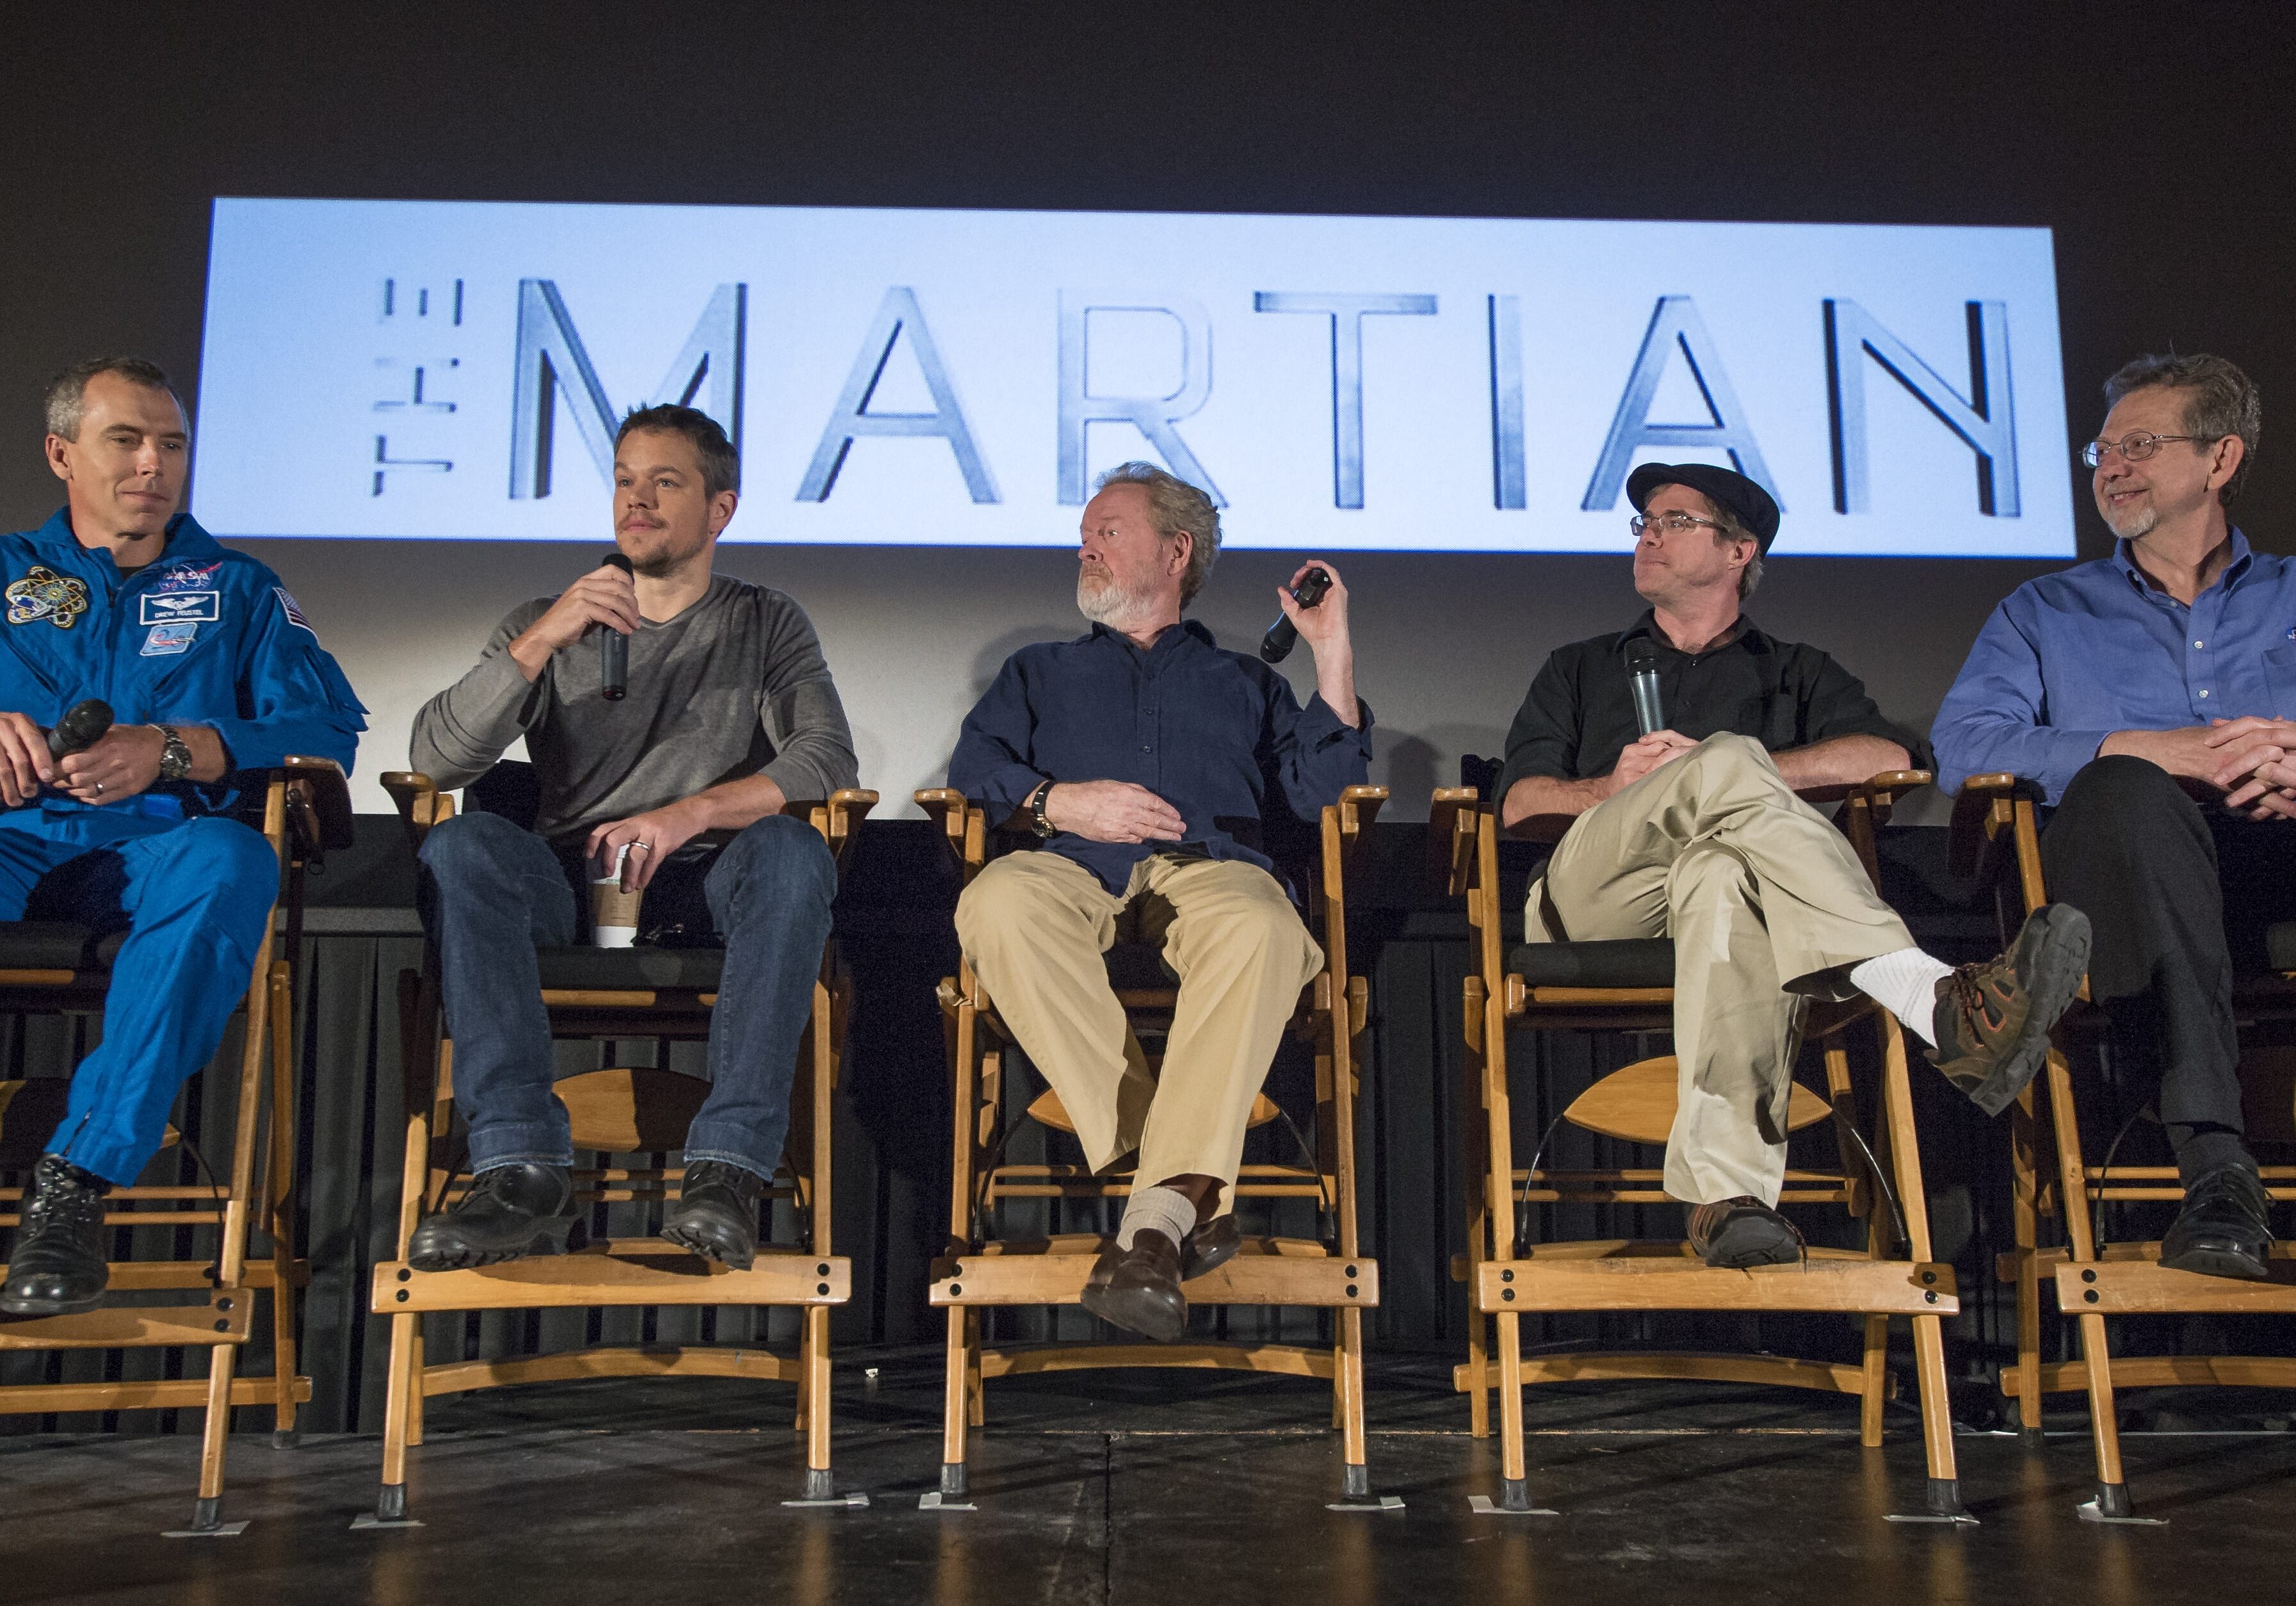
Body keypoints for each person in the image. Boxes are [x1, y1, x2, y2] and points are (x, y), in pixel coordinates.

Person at [1498, 462, 2090, 1267]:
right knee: (1723, 767)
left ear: (1739, 549)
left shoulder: (1793, 670)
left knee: (1721, 874)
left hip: (1729, 900)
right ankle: (1927, 995)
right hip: (1596, 898)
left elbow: (1886, 755)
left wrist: (1733, 768)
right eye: (1641, 523)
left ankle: (1727, 1199)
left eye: (1673, 521)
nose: (1647, 535)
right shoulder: (1579, 665)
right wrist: (1619, 783)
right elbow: (1521, 803)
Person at [405, 403, 857, 1272]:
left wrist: (686, 813)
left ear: (720, 509)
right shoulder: (547, 620)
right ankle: (518, 1167)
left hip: (704, 876)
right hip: (570, 879)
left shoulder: (763, 620)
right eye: (623, 480)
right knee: (460, 848)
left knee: (794, 854)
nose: (635, 501)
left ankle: (726, 1169)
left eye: (664, 482)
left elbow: (826, 757)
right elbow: (436, 758)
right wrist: (541, 640)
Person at [946, 461, 1368, 1340]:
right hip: (1072, 863)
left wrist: (1328, 646)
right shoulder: (1039, 671)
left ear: (1175, 552)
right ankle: (1174, 1186)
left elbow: (1325, 795)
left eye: (1107, 531)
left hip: (1207, 864)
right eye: (1084, 533)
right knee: (996, 901)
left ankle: (1155, 1216)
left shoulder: (1245, 683)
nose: (1084, 547)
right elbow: (975, 773)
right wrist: (1058, 801)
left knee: (1264, 926)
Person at [0, 357, 364, 1315]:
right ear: (61, 454)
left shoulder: (236, 588)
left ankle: (74, 1185)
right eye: (125, 439)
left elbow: (330, 734)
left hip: (156, 857)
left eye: (171, 444)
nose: (152, 464)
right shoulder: (5, 576)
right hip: (15, 842)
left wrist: (177, 750)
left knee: (234, 857)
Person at [1934, 353, 2295, 1280]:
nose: (2110, 467)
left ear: (2219, 460)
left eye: (2140, 445)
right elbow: (1964, 747)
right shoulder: (2044, 611)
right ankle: (2215, 1166)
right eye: (2103, 449)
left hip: (2276, 856)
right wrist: (2147, 748)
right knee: (2127, 791)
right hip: (2123, 873)